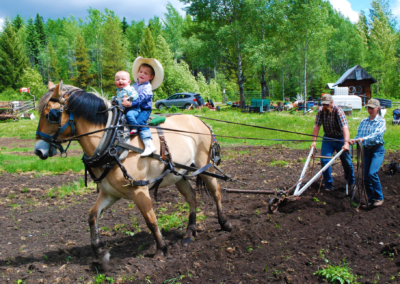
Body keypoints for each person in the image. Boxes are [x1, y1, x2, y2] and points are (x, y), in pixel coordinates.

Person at [310, 94, 355, 191]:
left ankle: (351, 182)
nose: (325, 106)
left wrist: (346, 143)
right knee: (324, 161)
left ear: (331, 103)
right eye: (324, 104)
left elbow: (345, 128)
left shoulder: (338, 111)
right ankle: (328, 184)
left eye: (327, 104)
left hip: (340, 138)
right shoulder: (321, 112)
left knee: (346, 162)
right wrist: (314, 141)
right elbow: (316, 126)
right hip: (328, 139)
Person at [350, 99, 386, 208]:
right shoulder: (363, 121)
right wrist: (354, 140)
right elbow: (358, 135)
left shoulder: (381, 121)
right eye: (368, 108)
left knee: (372, 173)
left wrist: (363, 138)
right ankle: (371, 200)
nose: (370, 110)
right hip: (366, 150)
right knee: (365, 177)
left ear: (378, 108)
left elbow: (376, 134)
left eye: (372, 108)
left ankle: (379, 197)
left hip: (377, 150)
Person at [131, 57, 164, 157]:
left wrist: (131, 103)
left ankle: (149, 145)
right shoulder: (135, 84)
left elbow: (141, 98)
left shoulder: (147, 87)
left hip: (144, 109)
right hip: (135, 108)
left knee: (141, 122)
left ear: (151, 77)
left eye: (145, 73)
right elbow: (129, 93)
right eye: (140, 71)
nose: (142, 74)